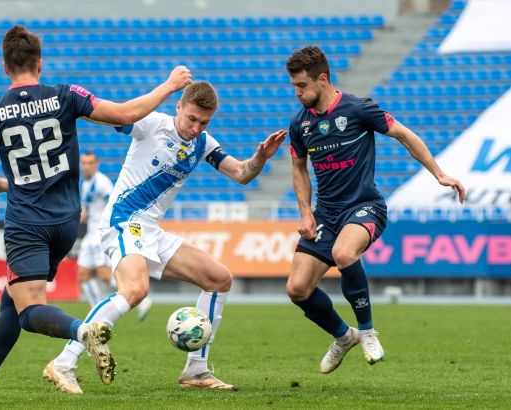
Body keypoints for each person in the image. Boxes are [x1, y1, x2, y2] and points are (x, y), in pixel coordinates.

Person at [0, 25, 191, 401]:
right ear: (40, 63)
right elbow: (125, 113)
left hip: (27, 223)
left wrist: (13, 185)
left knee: (29, 310)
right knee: (12, 299)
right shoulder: (66, 95)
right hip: (67, 222)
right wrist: (169, 86)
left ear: (5, 67)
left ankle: (82, 331)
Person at [44, 81, 286, 394]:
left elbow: (241, 173)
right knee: (135, 289)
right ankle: (64, 361)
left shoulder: (203, 143)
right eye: (192, 119)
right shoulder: (152, 124)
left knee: (218, 279)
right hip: (123, 220)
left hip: (150, 230)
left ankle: (196, 369)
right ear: (178, 107)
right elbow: (109, 115)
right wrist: (167, 85)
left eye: (204, 123)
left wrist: (260, 158)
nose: (196, 128)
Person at [284, 46, 466, 374]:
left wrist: (439, 174)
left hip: (364, 206)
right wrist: (306, 213)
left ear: (322, 79)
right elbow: (298, 169)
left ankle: (368, 332)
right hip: (326, 214)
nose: (297, 93)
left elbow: (405, 135)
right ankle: (345, 336)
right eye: (294, 86)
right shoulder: (300, 123)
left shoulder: (358, 109)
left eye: (301, 85)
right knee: (297, 289)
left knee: (343, 253)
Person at [75, 151, 153, 320]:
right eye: (84, 163)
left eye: (90, 163)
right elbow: (87, 211)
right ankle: (96, 311)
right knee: (83, 274)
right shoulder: (86, 184)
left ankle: (141, 299)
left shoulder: (102, 183)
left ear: (96, 165)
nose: (86, 166)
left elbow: (114, 203)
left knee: (104, 275)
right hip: (90, 233)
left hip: (100, 233)